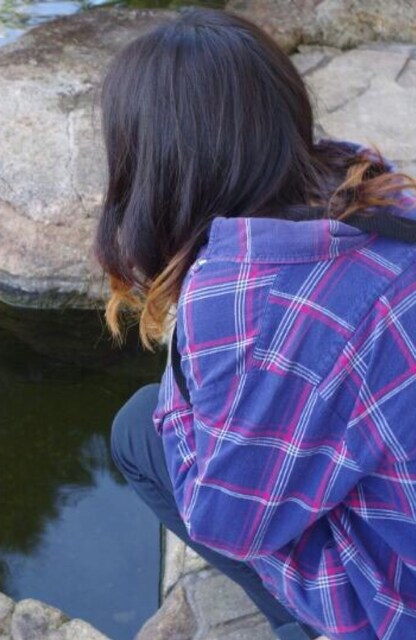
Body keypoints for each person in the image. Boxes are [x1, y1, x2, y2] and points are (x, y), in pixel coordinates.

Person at [95, 8, 416, 640]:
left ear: (152, 167)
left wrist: (185, 364)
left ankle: (305, 626)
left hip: (400, 605)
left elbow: (226, 520)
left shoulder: (242, 297)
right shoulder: (379, 192)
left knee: (138, 430)